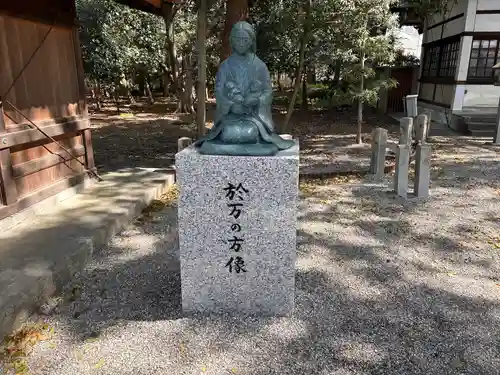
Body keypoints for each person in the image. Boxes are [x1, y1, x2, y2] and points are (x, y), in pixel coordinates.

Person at [195, 21, 294, 156]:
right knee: (229, 133)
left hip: (253, 117)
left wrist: (256, 101)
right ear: (232, 41)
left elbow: (267, 91)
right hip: (230, 118)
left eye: (245, 39)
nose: (241, 43)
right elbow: (219, 91)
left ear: (251, 41)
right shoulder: (225, 66)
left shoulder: (260, 66)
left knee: (250, 133)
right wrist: (230, 106)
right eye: (237, 39)